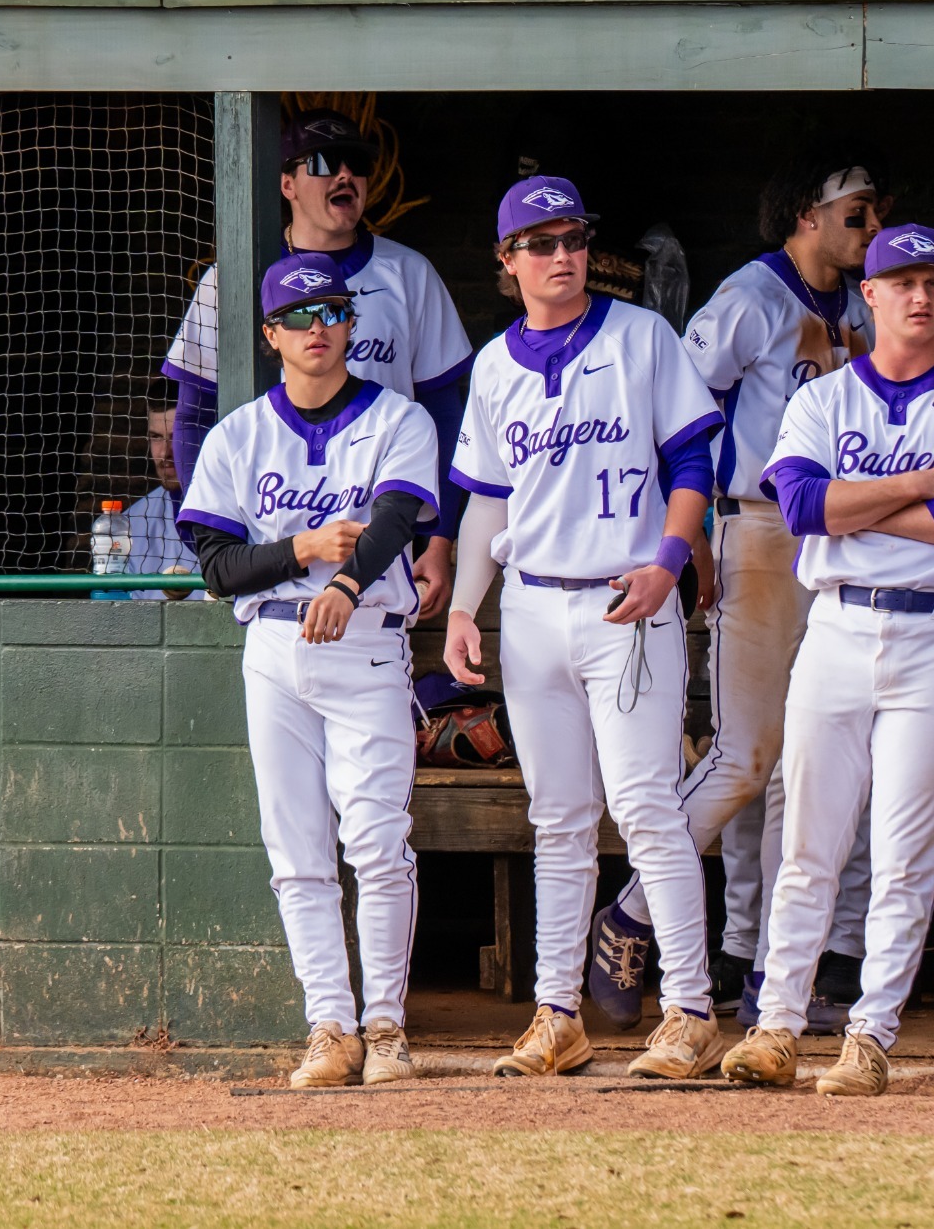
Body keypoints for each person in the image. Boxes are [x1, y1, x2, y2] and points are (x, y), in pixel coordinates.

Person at [590, 148, 934, 1036]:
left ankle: (762, 977)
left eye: (878, 213)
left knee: (804, 767)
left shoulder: (872, 306)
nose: (870, 229)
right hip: (760, 524)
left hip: (857, 536)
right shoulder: (753, 296)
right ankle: (633, 910)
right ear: (807, 217)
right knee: (747, 754)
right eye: (856, 214)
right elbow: (682, 411)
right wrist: (697, 533)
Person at [720, 225, 934, 1097]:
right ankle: (777, 1025)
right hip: (839, 627)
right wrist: (915, 486)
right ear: (871, 294)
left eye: (933, 280)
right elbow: (801, 505)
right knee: (809, 845)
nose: (918, 296)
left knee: (903, 850)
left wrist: (861, 510)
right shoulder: (822, 400)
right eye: (900, 281)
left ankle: (870, 1033)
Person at [444, 176, 726, 1080]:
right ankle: (556, 1013)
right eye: (540, 241)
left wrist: (673, 562)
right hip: (529, 603)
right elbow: (488, 500)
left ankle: (688, 1009)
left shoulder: (642, 337)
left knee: (645, 807)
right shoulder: (492, 366)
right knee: (558, 817)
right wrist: (461, 606)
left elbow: (691, 457)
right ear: (507, 261)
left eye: (572, 238)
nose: (561, 254)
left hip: (627, 597)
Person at [176, 252, 441, 1089]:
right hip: (275, 651)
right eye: (299, 319)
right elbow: (218, 569)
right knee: (296, 850)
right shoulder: (239, 434)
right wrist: (302, 549)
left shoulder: (400, 418)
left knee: (376, 840)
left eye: (331, 314)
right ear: (270, 336)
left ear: (351, 325)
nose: (317, 330)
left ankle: (388, 1025)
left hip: (365, 639)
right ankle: (329, 1026)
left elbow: (399, 516)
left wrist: (348, 576)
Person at [163, 108, 472, 616]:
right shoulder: (233, 277)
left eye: (357, 164)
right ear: (287, 183)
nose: (346, 175)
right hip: (271, 538)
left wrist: (438, 542)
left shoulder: (408, 273)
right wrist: (215, 545)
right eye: (326, 162)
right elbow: (194, 415)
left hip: (380, 538)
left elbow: (446, 417)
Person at [122, 397, 203, 601]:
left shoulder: (239, 507)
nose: (165, 452)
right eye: (156, 437)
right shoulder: (128, 526)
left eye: (177, 438)